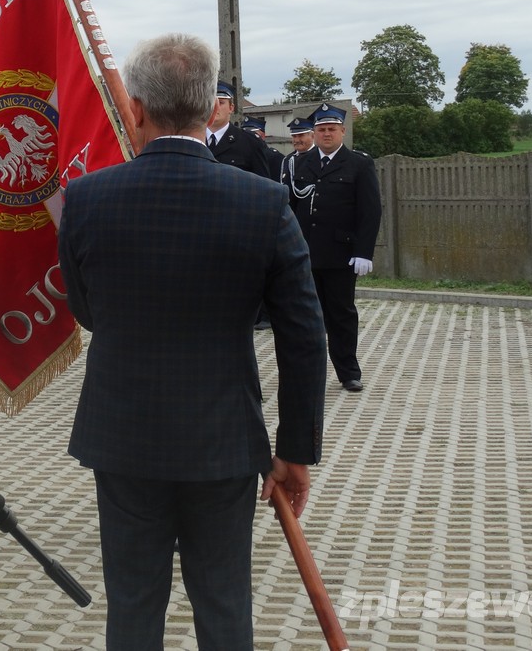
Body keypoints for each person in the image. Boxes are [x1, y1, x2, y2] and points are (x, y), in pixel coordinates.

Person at [57, 34, 326, 650]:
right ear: (211, 110)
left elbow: (86, 309)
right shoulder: (262, 200)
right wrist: (295, 448)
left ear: (136, 108)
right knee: (225, 601)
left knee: (132, 604)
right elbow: (304, 335)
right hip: (224, 438)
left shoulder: (87, 198)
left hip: (124, 436)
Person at [287, 102, 382, 393]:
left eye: (331, 129)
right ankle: (307, 373)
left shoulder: (359, 164)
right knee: (305, 317)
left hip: (342, 255)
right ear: (313, 133)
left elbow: (370, 211)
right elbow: (290, 208)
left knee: (341, 315)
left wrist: (364, 252)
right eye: (321, 129)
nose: (326, 134)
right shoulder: (299, 163)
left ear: (342, 131)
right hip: (305, 254)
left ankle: (348, 372)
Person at [205, 81, 272, 179]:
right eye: (210, 102)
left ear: (231, 108)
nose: (215, 107)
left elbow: (263, 185)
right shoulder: (193, 139)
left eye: (221, 103)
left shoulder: (250, 142)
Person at [241, 116, 284, 181]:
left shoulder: (274, 157)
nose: (248, 136)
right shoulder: (240, 155)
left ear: (263, 136)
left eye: (252, 133)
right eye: (245, 133)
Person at [280, 116, 315, 192]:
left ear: (312, 136)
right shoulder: (288, 159)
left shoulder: (320, 156)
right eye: (294, 136)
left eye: (301, 135)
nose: (296, 140)